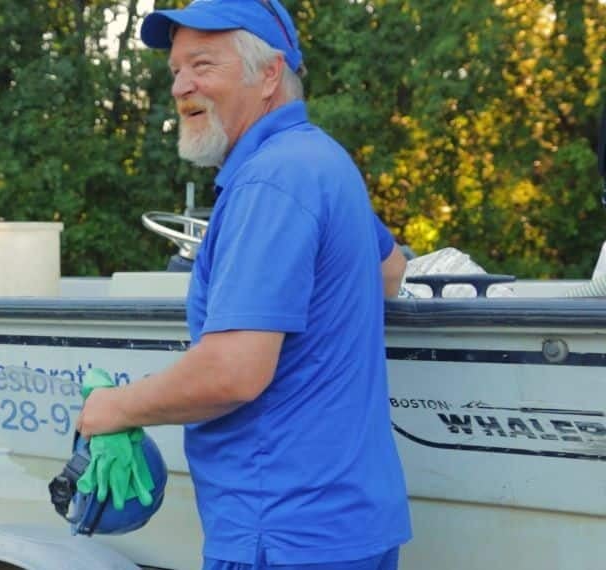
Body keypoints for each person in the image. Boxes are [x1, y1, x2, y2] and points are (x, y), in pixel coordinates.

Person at [75, 1, 410, 569]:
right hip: (348, 527)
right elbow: (391, 270)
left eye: (202, 64)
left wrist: (116, 408)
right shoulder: (321, 159)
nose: (182, 86)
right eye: (176, 70)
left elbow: (233, 372)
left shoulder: (271, 181)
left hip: (280, 533)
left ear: (269, 75)